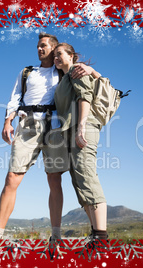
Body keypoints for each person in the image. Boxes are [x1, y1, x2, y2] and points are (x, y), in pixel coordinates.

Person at [0, 34, 101, 241]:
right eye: (38, 46)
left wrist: (90, 69)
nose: (39, 49)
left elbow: (91, 77)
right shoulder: (27, 72)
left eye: (44, 45)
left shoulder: (64, 71)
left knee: (54, 180)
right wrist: (7, 121)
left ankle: (55, 237)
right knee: (12, 178)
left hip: (55, 128)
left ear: (54, 49)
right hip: (27, 126)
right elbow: (15, 98)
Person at [53, 42, 108, 240]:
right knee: (79, 182)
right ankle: (96, 235)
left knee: (87, 177)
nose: (56, 58)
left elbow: (85, 96)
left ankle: (101, 238)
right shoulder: (66, 77)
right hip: (72, 131)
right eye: (54, 56)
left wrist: (82, 126)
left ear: (71, 55)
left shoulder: (77, 70)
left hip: (82, 128)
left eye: (60, 54)